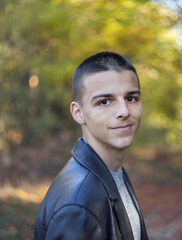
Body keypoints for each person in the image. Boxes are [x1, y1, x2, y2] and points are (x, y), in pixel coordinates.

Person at [34, 51, 148, 240]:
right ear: (78, 113)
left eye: (131, 98)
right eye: (104, 102)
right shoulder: (79, 205)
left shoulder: (113, 173)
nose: (124, 111)